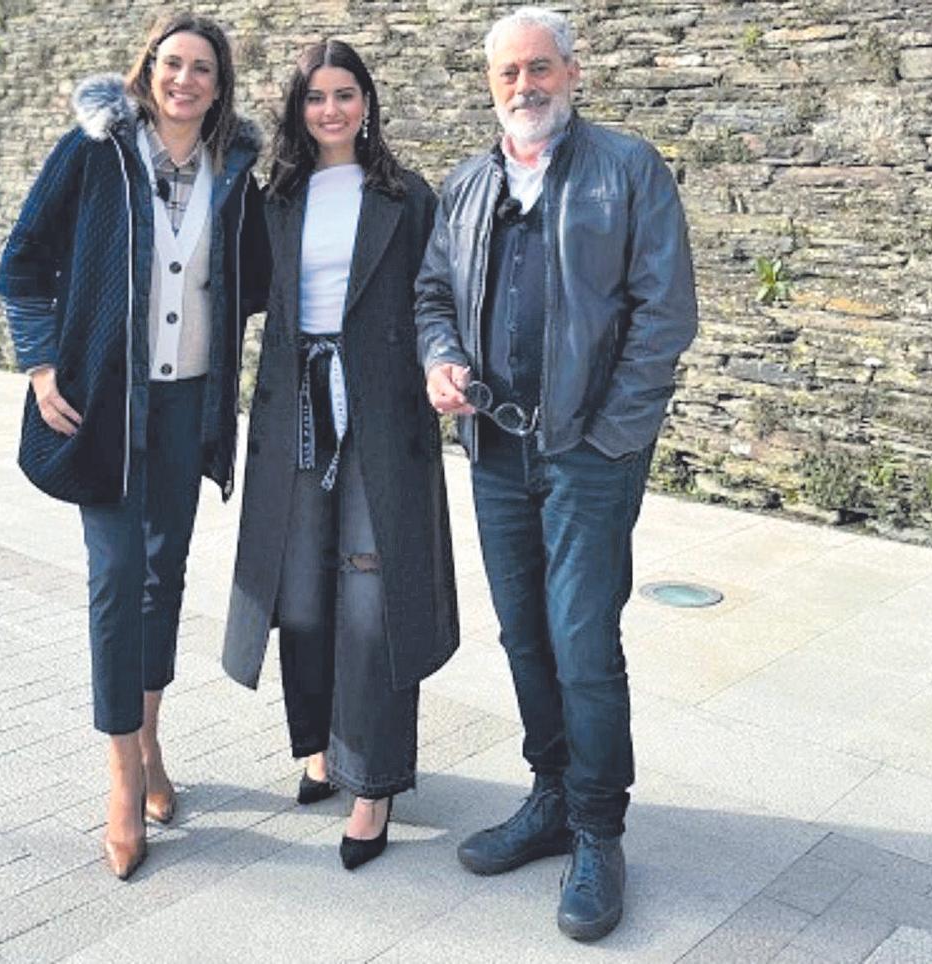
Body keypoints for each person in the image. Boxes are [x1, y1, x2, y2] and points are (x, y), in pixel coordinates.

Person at [415, 5, 698, 941]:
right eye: (509, 74)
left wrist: (609, 436)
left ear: (573, 74)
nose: (526, 87)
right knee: (525, 635)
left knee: (582, 642)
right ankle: (548, 795)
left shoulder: (629, 171)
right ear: (490, 85)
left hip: (588, 457)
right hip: (496, 454)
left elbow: (666, 316)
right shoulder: (465, 187)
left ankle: (598, 831)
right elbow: (430, 297)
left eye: (541, 69)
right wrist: (440, 357)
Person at [0, 12, 269, 880]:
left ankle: (151, 739)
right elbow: (23, 261)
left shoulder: (234, 174)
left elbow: (256, 279)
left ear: (220, 87)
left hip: (189, 404)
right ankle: (122, 775)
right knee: (117, 580)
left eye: (202, 69)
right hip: (109, 405)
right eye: (171, 63)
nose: (184, 79)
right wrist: (43, 369)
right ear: (148, 69)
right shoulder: (96, 150)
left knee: (164, 574)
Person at [223, 38, 458, 871]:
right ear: (298, 107)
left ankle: (375, 784)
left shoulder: (406, 196)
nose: (331, 110)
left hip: (382, 418)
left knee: (372, 597)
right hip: (295, 411)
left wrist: (444, 367)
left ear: (368, 102)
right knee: (305, 595)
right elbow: (230, 287)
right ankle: (322, 745)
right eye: (316, 96)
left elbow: (438, 297)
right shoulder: (275, 198)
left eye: (345, 94)